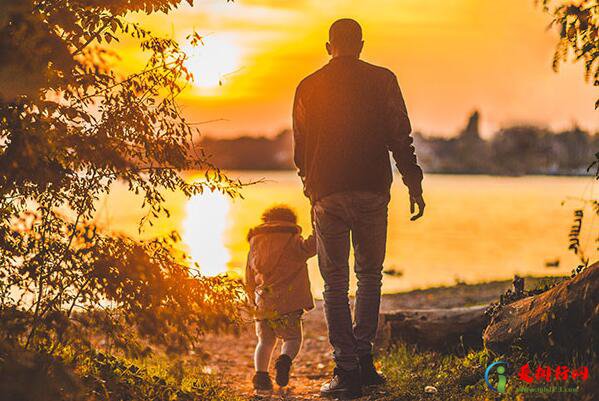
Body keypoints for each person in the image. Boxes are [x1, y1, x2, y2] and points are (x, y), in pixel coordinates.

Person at [292, 18, 425, 399]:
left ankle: (346, 369)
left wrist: (310, 187)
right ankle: (364, 360)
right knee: (370, 276)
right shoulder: (383, 80)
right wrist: (412, 181)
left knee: (335, 283)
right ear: (361, 45)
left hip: (328, 194)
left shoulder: (308, 86)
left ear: (327, 45)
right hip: (371, 189)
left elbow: (301, 148)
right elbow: (400, 135)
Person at [245, 205, 317, 392]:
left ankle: (261, 377)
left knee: (265, 342)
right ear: (291, 222)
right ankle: (284, 361)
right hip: (290, 304)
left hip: (263, 303)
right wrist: (317, 223)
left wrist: (251, 300)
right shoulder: (293, 240)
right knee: (292, 338)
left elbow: (248, 276)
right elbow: (313, 246)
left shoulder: (255, 243)